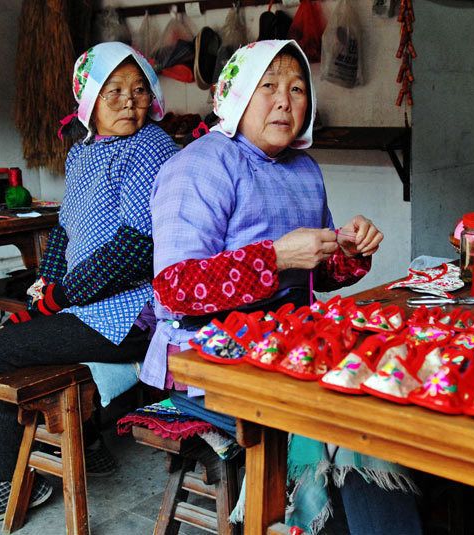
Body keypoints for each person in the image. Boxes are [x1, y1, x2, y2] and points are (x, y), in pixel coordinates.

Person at [140, 39, 422, 535]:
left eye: (297, 89)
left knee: (375, 395)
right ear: (236, 94)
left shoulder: (304, 170)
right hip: (206, 356)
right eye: (268, 87)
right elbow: (174, 289)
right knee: (341, 418)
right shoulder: (199, 166)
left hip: (286, 342)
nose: (285, 102)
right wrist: (275, 256)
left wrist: (349, 253)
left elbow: (320, 275)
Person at [0, 42, 179, 524]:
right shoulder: (83, 151)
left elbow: (139, 247)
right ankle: (90, 445)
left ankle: (11, 478)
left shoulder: (150, 147)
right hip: (90, 305)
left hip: (130, 314)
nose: (129, 101)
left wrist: (63, 295)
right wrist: (47, 281)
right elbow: (66, 228)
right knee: (23, 325)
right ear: (90, 99)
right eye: (113, 90)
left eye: (140, 90)